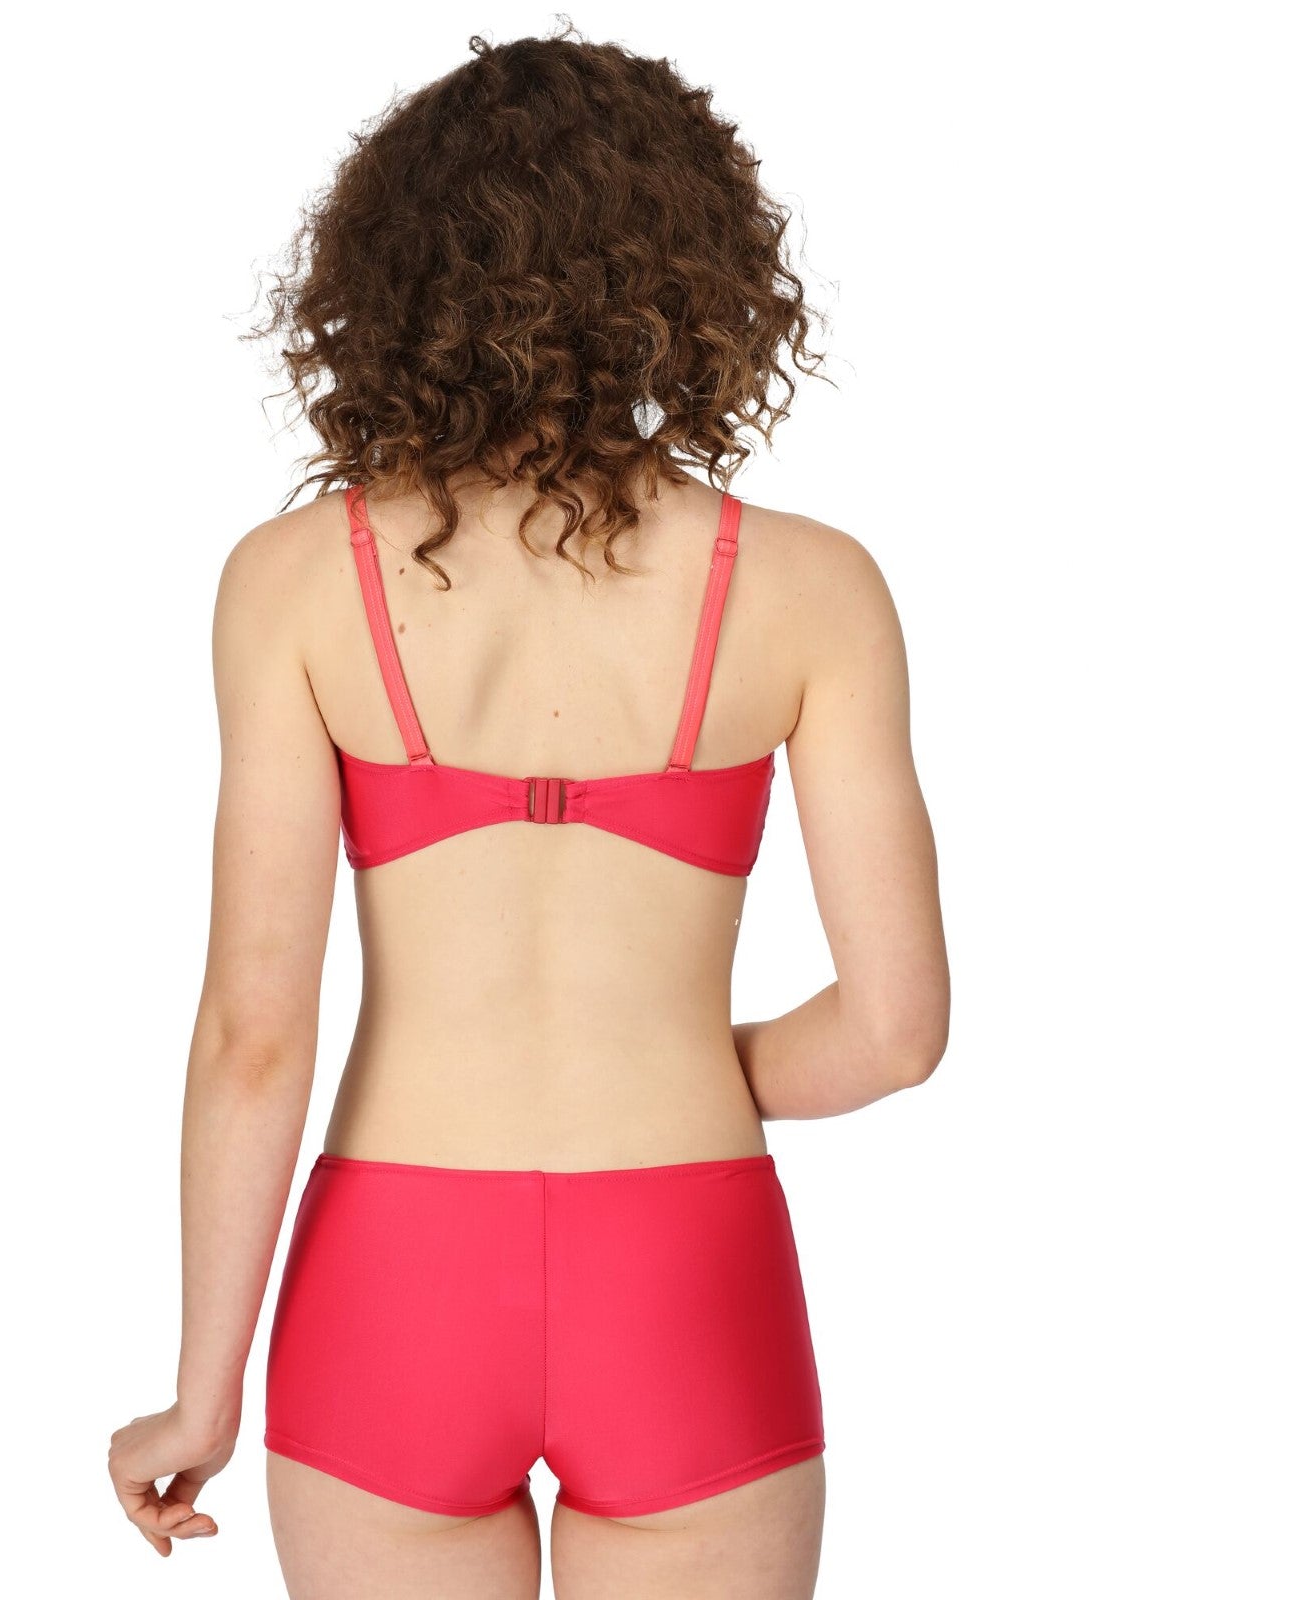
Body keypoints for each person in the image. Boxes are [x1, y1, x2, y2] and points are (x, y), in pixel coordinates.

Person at [108, 26, 948, 1600]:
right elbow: (896, 1032)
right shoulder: (813, 589)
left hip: (393, 1281)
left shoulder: (293, 585)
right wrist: (688, 1061)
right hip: (687, 1271)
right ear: (692, 273)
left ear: (395, 276)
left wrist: (201, 1392)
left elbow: (255, 1036)